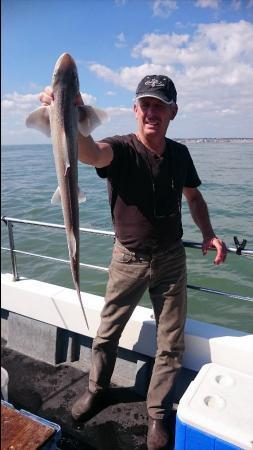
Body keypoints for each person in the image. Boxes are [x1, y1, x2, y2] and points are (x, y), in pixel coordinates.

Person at [40, 75, 227, 450]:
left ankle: (157, 413)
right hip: (127, 258)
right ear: (135, 109)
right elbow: (91, 153)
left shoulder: (180, 154)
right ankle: (96, 389)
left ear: (173, 111)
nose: (151, 112)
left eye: (160, 105)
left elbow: (193, 198)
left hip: (172, 260)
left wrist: (208, 233)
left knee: (170, 343)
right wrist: (71, 117)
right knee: (106, 333)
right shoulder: (121, 149)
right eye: (145, 104)